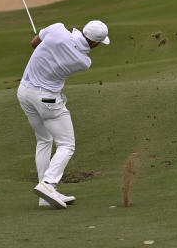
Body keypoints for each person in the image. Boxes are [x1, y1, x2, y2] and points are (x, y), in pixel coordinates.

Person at [17, 20, 110, 209]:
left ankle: (45, 197)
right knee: (67, 144)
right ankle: (48, 184)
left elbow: (34, 43)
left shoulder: (57, 29)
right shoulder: (84, 62)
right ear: (94, 43)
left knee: (44, 140)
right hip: (47, 100)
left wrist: (48, 41)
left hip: (24, 93)